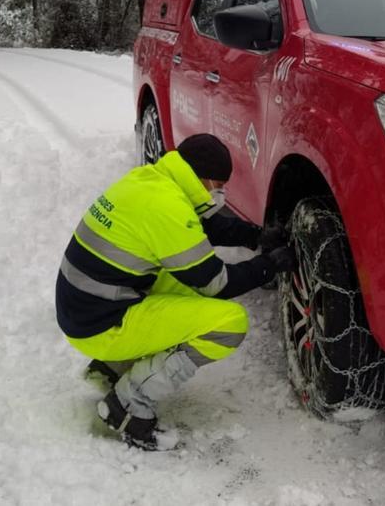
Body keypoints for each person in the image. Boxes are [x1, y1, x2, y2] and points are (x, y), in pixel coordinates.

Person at [55, 133, 294, 450]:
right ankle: (128, 405)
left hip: (86, 310)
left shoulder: (150, 182)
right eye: (218, 185)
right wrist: (268, 265)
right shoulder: (168, 208)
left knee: (181, 276)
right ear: (203, 178)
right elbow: (217, 283)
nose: (219, 193)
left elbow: (203, 227)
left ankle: (112, 367)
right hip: (101, 326)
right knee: (228, 323)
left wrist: (256, 237)